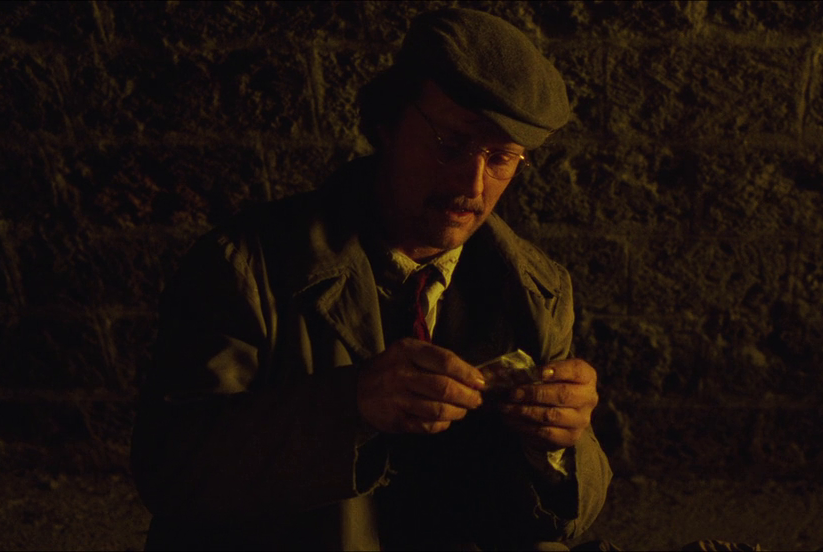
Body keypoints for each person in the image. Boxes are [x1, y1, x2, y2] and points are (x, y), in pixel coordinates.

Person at [131, 8, 613, 551]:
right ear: (388, 124)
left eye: (501, 158)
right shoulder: (245, 268)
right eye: (450, 143)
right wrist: (350, 405)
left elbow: (563, 522)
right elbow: (170, 471)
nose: (473, 185)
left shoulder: (538, 290)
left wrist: (560, 445)